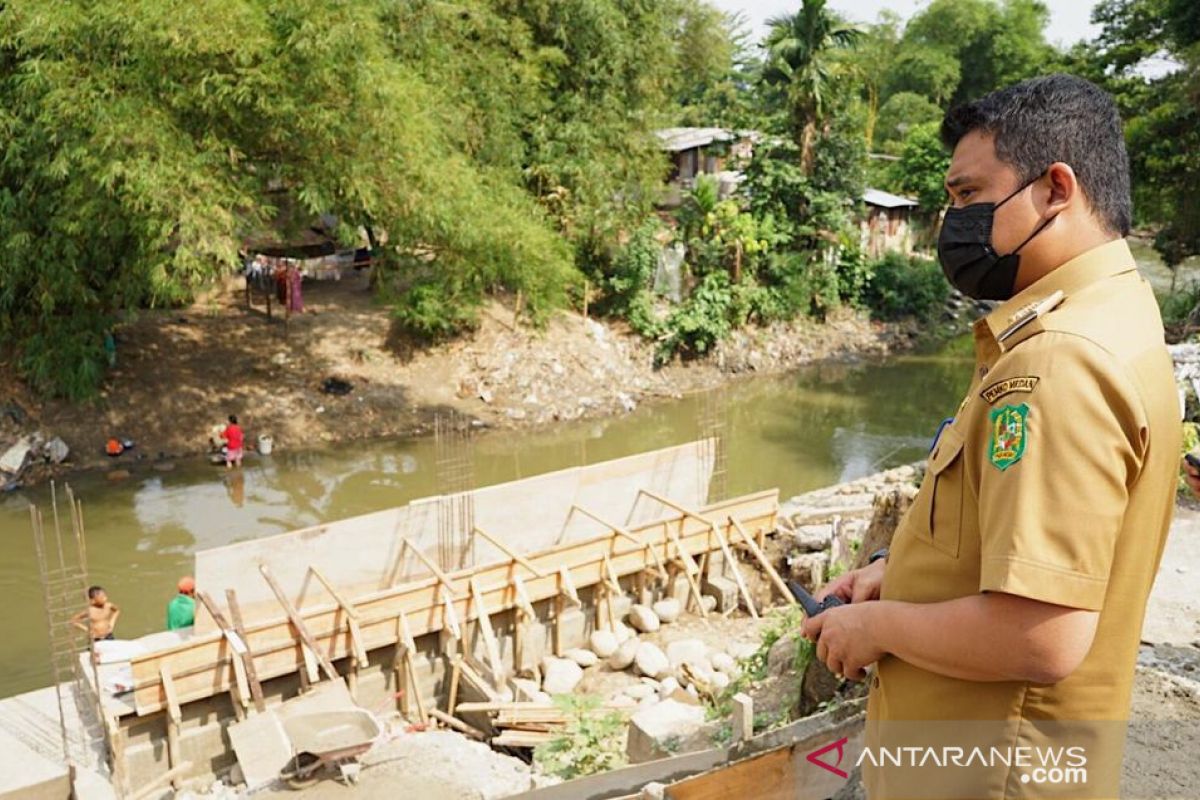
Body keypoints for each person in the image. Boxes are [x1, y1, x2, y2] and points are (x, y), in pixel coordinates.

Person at [801, 74, 1179, 798]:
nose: (954, 220)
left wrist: (878, 626)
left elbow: (1040, 634)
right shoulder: (1117, 314)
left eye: (970, 196)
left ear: (1057, 189)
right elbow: (1039, 545)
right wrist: (900, 576)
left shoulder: (1057, 362)